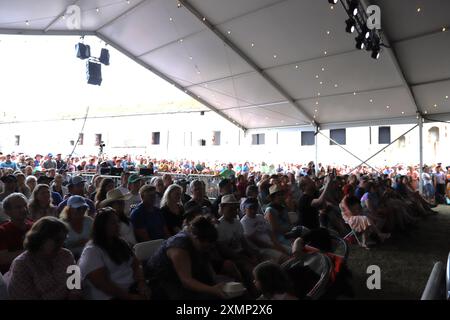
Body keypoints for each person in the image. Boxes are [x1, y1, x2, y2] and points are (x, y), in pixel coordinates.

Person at [146, 216, 226, 299]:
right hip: (162, 278)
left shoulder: (202, 243)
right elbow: (186, 281)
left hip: (181, 272)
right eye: (205, 247)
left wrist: (215, 282)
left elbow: (206, 264)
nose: (207, 249)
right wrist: (212, 290)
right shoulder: (179, 248)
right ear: (196, 238)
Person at [78, 208, 150, 300]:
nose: (117, 226)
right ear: (102, 226)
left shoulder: (121, 243)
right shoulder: (92, 251)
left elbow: (136, 264)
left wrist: (141, 282)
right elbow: (102, 284)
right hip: (110, 296)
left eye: (117, 222)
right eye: (113, 223)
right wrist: (130, 297)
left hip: (131, 288)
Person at [7, 217, 80, 300]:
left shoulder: (65, 254)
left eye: (63, 240)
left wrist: (74, 294)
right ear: (40, 239)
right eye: (57, 240)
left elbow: (75, 281)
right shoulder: (22, 264)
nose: (61, 244)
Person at [240, 198, 290, 263]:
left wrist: (277, 244)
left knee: (294, 250)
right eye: (250, 208)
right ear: (245, 209)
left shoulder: (260, 217)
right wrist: (275, 247)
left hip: (272, 244)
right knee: (285, 257)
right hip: (262, 250)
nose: (253, 210)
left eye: (254, 207)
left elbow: (270, 233)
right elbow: (257, 242)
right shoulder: (244, 222)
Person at [0, 193, 33, 274]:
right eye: (18, 207)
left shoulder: (35, 226)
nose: (24, 209)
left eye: (25, 205)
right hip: (12, 275)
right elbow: (3, 259)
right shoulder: (2, 231)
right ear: (7, 212)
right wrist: (34, 250)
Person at [60, 195, 94, 260]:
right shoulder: (61, 224)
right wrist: (77, 243)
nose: (82, 210)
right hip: (68, 259)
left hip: (89, 257)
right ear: (69, 209)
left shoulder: (89, 221)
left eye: (84, 208)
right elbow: (60, 246)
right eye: (78, 208)